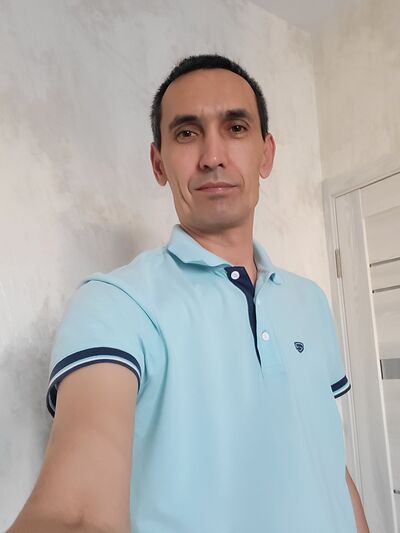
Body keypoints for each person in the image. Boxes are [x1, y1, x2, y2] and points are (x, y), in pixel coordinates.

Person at [7, 54, 369, 533]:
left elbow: (328, 463)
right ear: (158, 163)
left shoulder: (311, 301)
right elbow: (75, 513)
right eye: (186, 132)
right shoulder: (115, 304)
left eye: (236, 128)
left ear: (266, 154)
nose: (212, 155)